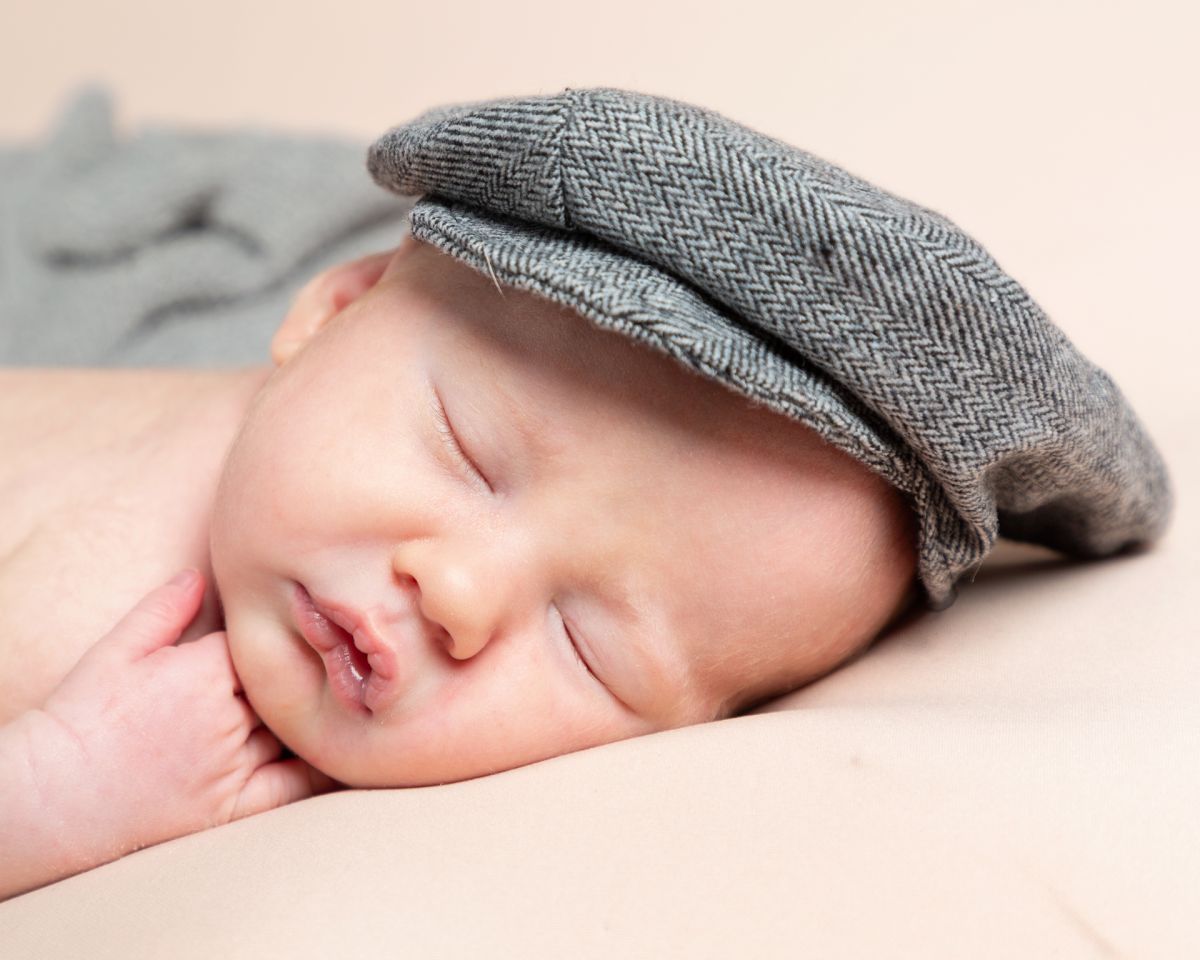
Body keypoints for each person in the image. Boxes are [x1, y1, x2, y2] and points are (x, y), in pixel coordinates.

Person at [0, 232, 919, 900]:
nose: (460, 595)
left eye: (586, 643)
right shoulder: (82, 601)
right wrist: (58, 789)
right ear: (335, 312)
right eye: (470, 453)